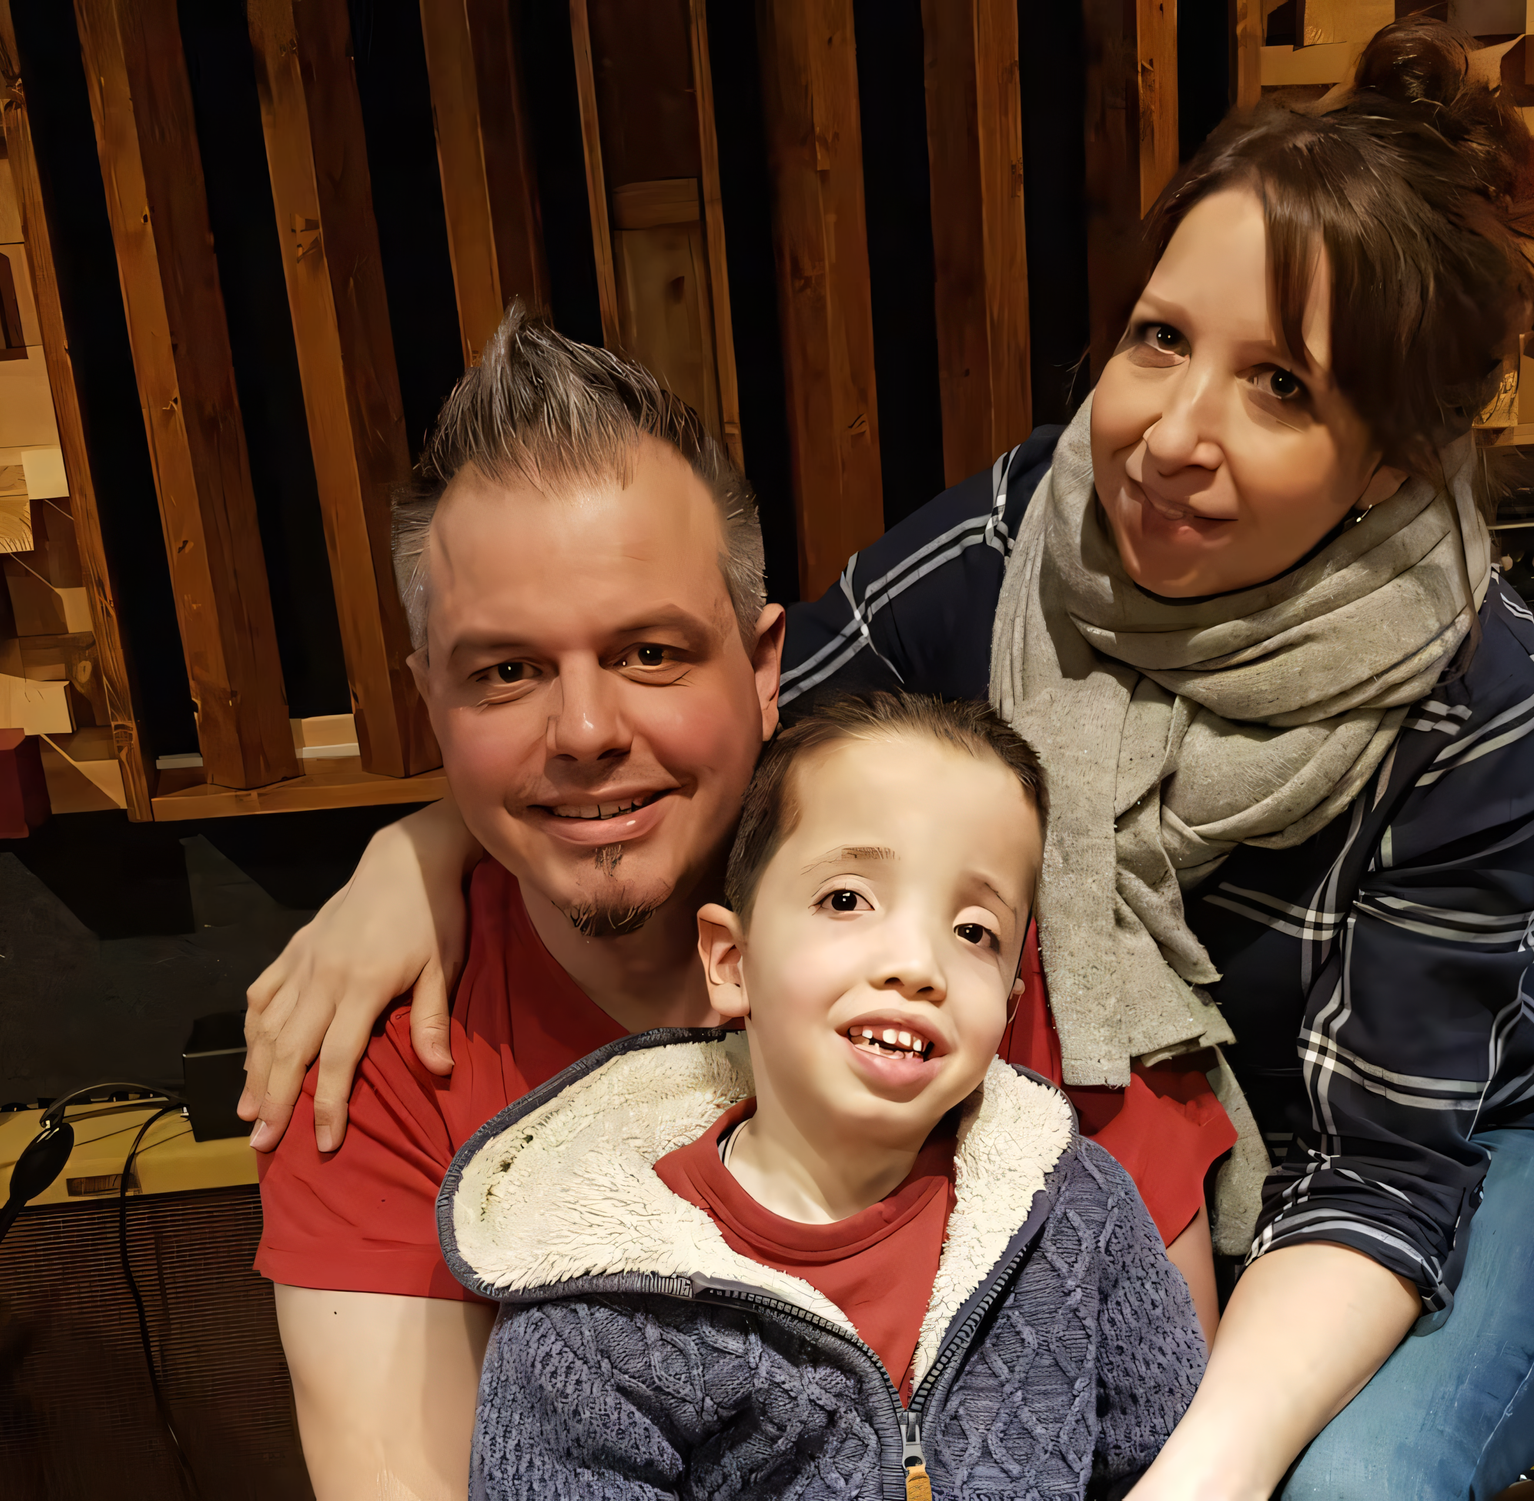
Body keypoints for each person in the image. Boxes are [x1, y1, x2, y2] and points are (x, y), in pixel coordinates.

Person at [251, 19, 1534, 1498]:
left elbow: (1390, 1167)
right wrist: (419, 845)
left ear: (1387, 462)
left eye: (1283, 385)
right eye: (1160, 339)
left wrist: (1208, 1471)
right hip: (1214, 1166)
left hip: (1441, 1163)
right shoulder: (1007, 558)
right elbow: (712, 746)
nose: (1175, 433)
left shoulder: (1467, 678)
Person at [249, 311, 1232, 1501]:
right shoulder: (377, 1052)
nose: (586, 732)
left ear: (765, 665)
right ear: (429, 706)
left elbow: (1180, 1456)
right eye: (504, 670)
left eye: (650, 653)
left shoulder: (983, 951)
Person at [445, 692, 1208, 1499]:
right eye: (847, 899)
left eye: (975, 930)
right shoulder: (594, 1316)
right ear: (732, 961)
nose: (916, 963)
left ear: (1009, 1008)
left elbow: (1177, 1459)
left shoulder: (1080, 1214)